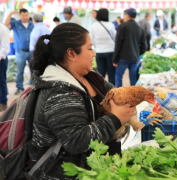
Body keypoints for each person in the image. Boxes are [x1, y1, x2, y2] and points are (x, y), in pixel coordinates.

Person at [28, 23, 135, 179]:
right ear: (71, 53)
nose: (94, 54)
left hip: (99, 168)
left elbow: (117, 96)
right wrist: (115, 119)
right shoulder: (58, 91)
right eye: (90, 48)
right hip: (66, 174)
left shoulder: (91, 76)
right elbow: (76, 140)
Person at [113, 8, 147, 87]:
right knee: (133, 78)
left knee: (118, 76)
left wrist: (115, 59)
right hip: (135, 58)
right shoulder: (140, 28)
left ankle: (119, 95)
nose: (123, 17)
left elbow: (118, 44)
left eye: (124, 15)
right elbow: (144, 46)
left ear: (127, 15)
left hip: (123, 57)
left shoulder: (122, 26)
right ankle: (134, 96)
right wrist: (138, 53)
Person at [4, 8, 34, 95]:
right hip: (20, 51)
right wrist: (11, 13)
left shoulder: (32, 24)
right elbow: (6, 25)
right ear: (19, 15)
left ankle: (32, 87)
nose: (25, 17)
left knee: (33, 69)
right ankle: (19, 87)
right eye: (23, 15)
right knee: (20, 70)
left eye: (26, 15)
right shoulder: (15, 23)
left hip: (31, 51)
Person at [90, 8, 116, 85]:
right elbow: (115, 37)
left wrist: (96, 46)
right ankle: (113, 91)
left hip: (99, 51)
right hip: (110, 51)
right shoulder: (111, 25)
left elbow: (91, 39)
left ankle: (102, 91)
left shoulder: (93, 25)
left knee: (101, 74)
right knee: (111, 73)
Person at [0, 23, 10, 112]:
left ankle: (3, 103)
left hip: (1, 59)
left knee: (1, 81)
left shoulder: (2, 29)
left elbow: (5, 47)